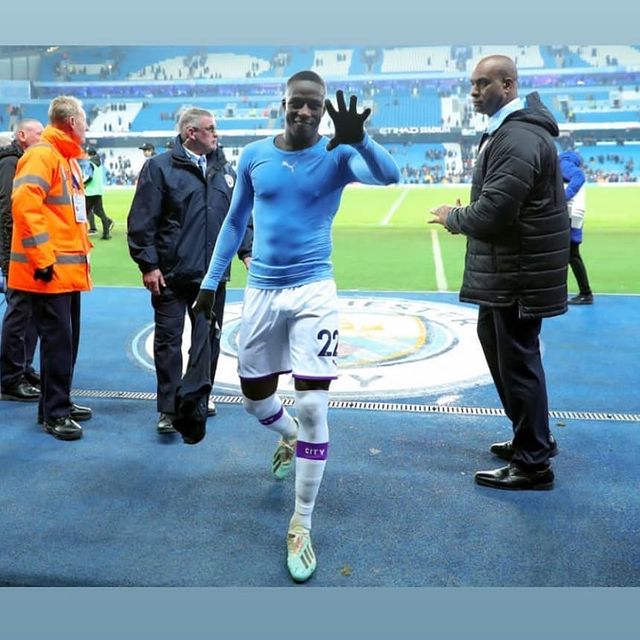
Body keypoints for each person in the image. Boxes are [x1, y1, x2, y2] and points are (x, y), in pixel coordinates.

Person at [193, 70, 400, 582]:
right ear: (282, 104)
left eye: (315, 105)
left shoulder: (338, 154)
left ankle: (301, 522)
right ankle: (286, 437)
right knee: (254, 398)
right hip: (261, 289)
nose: (305, 112)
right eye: (297, 103)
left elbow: (390, 176)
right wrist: (210, 281)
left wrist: (362, 140)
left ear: (324, 108)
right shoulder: (254, 155)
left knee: (311, 402)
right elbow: (235, 221)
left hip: (314, 288)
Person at [429, 55, 569, 491]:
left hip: (517, 274)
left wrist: (454, 215)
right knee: (501, 349)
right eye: (472, 84)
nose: (473, 92)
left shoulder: (518, 137)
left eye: (482, 84)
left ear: (507, 86)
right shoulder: (511, 133)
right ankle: (533, 439)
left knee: (518, 362)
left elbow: (494, 212)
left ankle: (533, 464)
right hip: (511, 270)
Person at [127, 108, 252, 435]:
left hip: (212, 276)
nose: (216, 134)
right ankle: (168, 409)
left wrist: (246, 251)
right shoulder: (159, 168)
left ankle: (198, 399)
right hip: (169, 275)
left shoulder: (226, 170)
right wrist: (149, 264)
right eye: (210, 129)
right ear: (190, 133)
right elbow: (142, 220)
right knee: (168, 342)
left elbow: (239, 217)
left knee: (207, 340)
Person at [9, 96, 93, 441]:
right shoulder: (44, 156)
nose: (86, 128)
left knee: (66, 343)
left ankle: (58, 402)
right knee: (58, 343)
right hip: (49, 272)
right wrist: (43, 260)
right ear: (72, 122)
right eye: (84, 122)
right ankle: (54, 413)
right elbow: (24, 204)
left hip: (67, 272)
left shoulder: (66, 159)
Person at [0, 119, 44, 402]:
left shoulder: (24, 161)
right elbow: (6, 210)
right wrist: (6, 257)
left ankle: (22, 368)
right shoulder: (10, 164)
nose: (43, 137)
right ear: (22, 135)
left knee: (30, 314)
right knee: (19, 314)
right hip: (16, 252)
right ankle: (10, 378)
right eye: (38, 133)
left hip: (24, 249)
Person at [560, 150, 593, 305]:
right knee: (570, 255)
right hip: (575, 214)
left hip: (570, 214)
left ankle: (586, 293)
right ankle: (584, 292)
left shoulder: (562, 163)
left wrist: (563, 197)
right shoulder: (567, 163)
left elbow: (579, 176)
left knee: (570, 255)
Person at [82, 147, 114, 240]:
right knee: (99, 211)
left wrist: (83, 183)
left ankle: (81, 233)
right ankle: (106, 234)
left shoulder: (90, 164)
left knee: (84, 213)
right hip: (98, 191)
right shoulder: (99, 164)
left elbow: (90, 177)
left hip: (90, 192)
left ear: (88, 154)